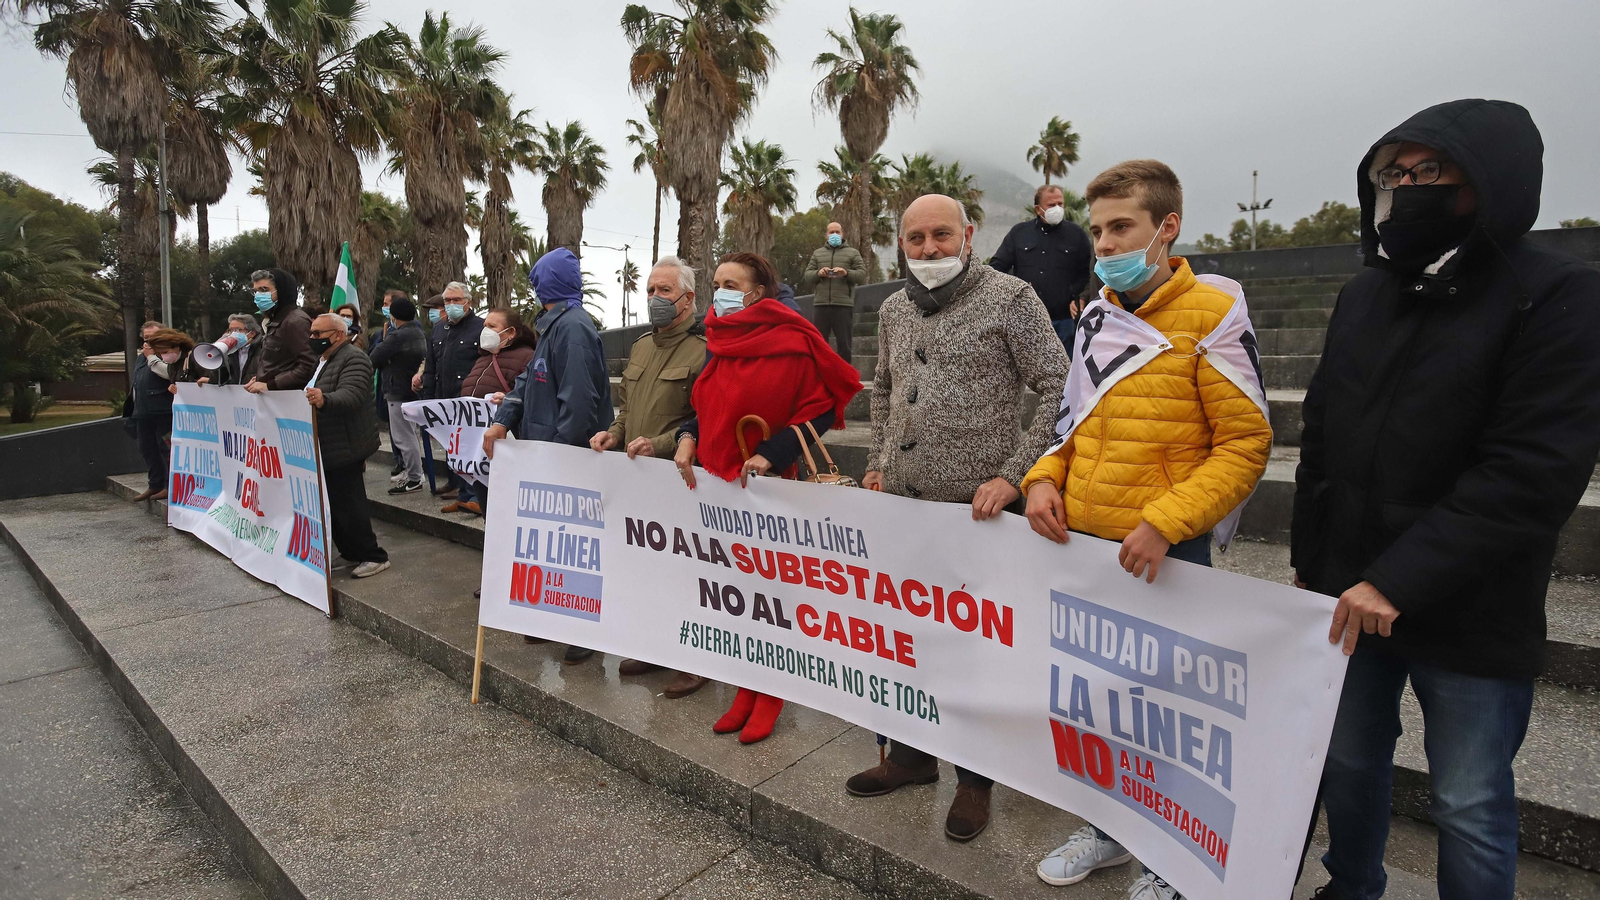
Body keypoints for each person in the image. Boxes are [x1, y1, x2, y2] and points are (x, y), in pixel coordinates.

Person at [1292, 100, 1600, 900]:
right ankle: (1352, 885)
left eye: (1425, 172)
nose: (1403, 189)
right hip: (1350, 591)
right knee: (1350, 759)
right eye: (1390, 175)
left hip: (1472, 603)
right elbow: (1322, 429)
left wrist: (1399, 579)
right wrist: (1310, 562)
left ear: (1487, 179)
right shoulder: (1367, 292)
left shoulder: (1559, 295)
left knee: (1467, 799)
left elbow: (1531, 471)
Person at [1021, 161, 1271, 900]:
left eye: (1120, 228)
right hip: (1087, 549)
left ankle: (1173, 859)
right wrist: (1043, 477)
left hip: (1165, 550)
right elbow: (1073, 421)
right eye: (1097, 230)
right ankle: (1108, 833)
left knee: (1166, 714)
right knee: (1096, 703)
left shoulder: (1214, 310)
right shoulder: (1097, 311)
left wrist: (1167, 520)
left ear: (1167, 228)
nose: (1104, 243)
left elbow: (1244, 444)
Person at [844, 193, 1069, 843]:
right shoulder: (892, 308)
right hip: (905, 510)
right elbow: (883, 386)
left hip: (979, 513)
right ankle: (912, 759)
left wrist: (1015, 473)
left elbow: (1057, 385)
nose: (929, 249)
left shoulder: (1011, 299)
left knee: (974, 650)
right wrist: (880, 458)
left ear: (968, 235)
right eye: (916, 239)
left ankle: (976, 780)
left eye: (941, 235)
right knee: (908, 639)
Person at [671, 251, 862, 743]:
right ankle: (744, 686)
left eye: (731, 283)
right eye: (716, 283)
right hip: (720, 489)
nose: (721, 293)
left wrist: (771, 454)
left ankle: (771, 694)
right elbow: (707, 403)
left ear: (758, 292)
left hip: (770, 490)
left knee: (772, 599)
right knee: (735, 597)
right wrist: (688, 438)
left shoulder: (793, 339)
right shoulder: (718, 337)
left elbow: (822, 408)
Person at [482, 248, 613, 665]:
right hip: (546, 451)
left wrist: (559, 455)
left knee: (577, 544)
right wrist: (504, 418)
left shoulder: (572, 327)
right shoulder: (554, 325)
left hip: (565, 456)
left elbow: (578, 400)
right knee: (553, 543)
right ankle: (553, 617)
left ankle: (582, 628)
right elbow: (527, 382)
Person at [591, 255, 711, 699]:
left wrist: (658, 445)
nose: (655, 298)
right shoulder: (642, 345)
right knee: (649, 569)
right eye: (650, 290)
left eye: (664, 291)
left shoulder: (704, 348)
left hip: (681, 481)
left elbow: (703, 419)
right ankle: (659, 645)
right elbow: (627, 408)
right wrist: (614, 433)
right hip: (637, 478)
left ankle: (694, 660)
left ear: (688, 298)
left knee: (686, 572)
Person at [305, 313, 390, 578]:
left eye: (318, 334)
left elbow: (351, 395)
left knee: (350, 504)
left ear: (338, 335)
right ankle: (351, 552)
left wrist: (324, 399)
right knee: (334, 503)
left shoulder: (354, 358)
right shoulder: (323, 360)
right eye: (312, 333)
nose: (313, 338)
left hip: (346, 443)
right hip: (328, 442)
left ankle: (373, 555)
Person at [450, 307, 536, 515]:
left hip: (506, 444)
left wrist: (507, 401)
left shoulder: (527, 358)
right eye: (484, 326)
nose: (485, 331)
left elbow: (533, 396)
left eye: (491, 326)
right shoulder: (482, 359)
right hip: (479, 449)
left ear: (510, 333)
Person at [989, 184, 1094, 355]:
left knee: (1064, 372)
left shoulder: (1077, 235)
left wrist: (1081, 297)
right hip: (1025, 320)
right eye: (1051, 205)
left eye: (1061, 204)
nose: (1058, 209)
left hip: (1064, 321)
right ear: (1038, 209)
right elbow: (997, 267)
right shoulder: (1019, 233)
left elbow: (1089, 272)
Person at [421, 283, 484, 500]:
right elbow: (431, 366)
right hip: (443, 397)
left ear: (468, 302)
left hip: (468, 400)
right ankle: (454, 483)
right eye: (447, 301)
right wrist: (427, 400)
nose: (451, 305)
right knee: (450, 443)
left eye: (456, 300)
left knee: (467, 446)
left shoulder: (481, 327)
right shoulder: (439, 328)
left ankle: (469, 494)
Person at [368, 297, 428, 495]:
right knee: (411, 435)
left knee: (403, 437)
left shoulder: (398, 335)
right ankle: (416, 473)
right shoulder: (418, 332)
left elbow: (374, 357)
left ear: (394, 316)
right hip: (411, 390)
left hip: (397, 390)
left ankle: (414, 478)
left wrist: (387, 357)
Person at [129, 326, 194, 502]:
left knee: (166, 448)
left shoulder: (164, 357)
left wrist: (152, 357)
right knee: (147, 448)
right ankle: (154, 484)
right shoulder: (140, 358)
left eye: (152, 338)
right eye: (145, 338)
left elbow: (169, 374)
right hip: (143, 411)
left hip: (163, 410)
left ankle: (169, 484)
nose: (148, 342)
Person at [800, 221, 868, 364]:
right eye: (831, 232)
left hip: (843, 305)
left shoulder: (853, 253)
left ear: (842, 234)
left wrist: (846, 273)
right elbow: (808, 276)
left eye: (837, 232)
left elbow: (861, 275)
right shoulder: (818, 254)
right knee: (820, 343)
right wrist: (818, 273)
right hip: (821, 305)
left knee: (844, 344)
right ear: (826, 235)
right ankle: (821, 375)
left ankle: (844, 378)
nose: (835, 235)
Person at [243, 267, 316, 394]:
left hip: (287, 402)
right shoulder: (276, 320)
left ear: (282, 291)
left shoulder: (295, 321)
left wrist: (270, 385)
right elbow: (278, 364)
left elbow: (309, 365)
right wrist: (260, 379)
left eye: (264, 290)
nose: (259, 296)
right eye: (256, 291)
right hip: (273, 401)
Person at [372, 289, 408, 465]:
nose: (383, 307)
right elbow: (373, 355)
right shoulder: (382, 331)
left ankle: (407, 467)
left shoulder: (410, 329)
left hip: (401, 389)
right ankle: (397, 461)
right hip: (385, 386)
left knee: (404, 433)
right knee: (393, 428)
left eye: (386, 304)